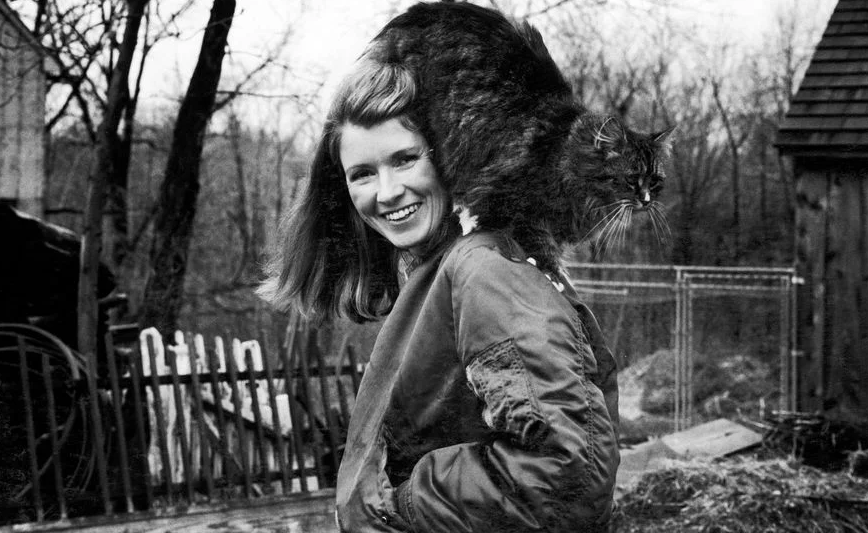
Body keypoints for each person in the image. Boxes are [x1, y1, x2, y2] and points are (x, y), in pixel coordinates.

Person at [261, 44, 620, 532]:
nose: (386, 192)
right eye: (363, 174)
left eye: (405, 159)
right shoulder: (438, 266)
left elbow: (565, 475)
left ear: (450, 155)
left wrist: (401, 502)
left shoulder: (483, 270)